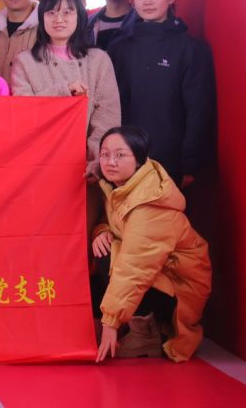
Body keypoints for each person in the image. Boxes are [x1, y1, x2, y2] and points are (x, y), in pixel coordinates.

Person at [107, 0, 216, 227]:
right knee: (127, 230)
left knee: (166, 232)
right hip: (126, 157)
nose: (147, 1)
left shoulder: (191, 49)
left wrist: (190, 163)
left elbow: (199, 110)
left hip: (171, 159)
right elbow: (111, 106)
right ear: (132, 0)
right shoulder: (119, 48)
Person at [92, 126, 211, 363]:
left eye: (120, 155)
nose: (110, 162)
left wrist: (110, 323)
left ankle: (146, 333)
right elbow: (112, 223)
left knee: (112, 257)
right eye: (104, 154)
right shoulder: (123, 187)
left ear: (139, 159)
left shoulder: (150, 202)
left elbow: (134, 268)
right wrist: (102, 231)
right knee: (103, 246)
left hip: (179, 292)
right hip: (159, 277)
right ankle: (130, 323)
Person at [11, 0, 120, 182]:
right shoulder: (24, 61)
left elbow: (107, 117)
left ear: (79, 17)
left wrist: (97, 160)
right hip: (38, 165)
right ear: (42, 18)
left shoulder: (99, 60)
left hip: (86, 167)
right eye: (51, 13)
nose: (58, 19)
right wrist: (64, 90)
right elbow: (24, 112)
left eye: (67, 12)